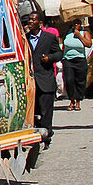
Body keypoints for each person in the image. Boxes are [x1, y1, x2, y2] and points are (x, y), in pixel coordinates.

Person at [26, 11, 62, 148]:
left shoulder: (49, 38)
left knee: (46, 112)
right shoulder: (24, 38)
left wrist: (50, 58)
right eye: (29, 19)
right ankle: (35, 137)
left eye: (33, 20)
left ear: (39, 22)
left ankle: (46, 138)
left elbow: (59, 53)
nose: (30, 22)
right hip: (30, 81)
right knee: (33, 111)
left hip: (45, 80)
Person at [61, 19, 92, 111]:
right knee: (69, 79)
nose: (76, 25)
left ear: (81, 25)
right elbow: (63, 46)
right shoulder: (67, 34)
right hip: (68, 60)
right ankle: (71, 99)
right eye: (74, 24)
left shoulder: (84, 33)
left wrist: (79, 35)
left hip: (80, 60)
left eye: (78, 24)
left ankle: (78, 100)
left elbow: (88, 44)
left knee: (80, 80)